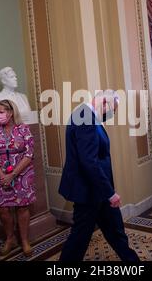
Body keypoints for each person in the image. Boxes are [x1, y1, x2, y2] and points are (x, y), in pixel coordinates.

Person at [58, 90, 140, 262]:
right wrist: (110, 193)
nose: (112, 114)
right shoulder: (85, 118)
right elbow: (89, 161)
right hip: (88, 190)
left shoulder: (88, 115)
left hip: (97, 189)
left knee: (115, 230)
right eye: (113, 110)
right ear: (104, 103)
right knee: (79, 237)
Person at [0, 100, 35, 257]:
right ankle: (10, 238)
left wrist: (13, 174)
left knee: (22, 208)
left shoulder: (23, 129)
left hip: (22, 175)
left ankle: (25, 240)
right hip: (0, 177)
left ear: (11, 112)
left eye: (1, 112)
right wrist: (2, 175)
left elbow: (29, 154)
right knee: (3, 209)